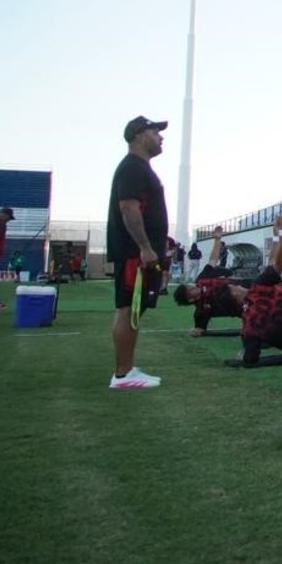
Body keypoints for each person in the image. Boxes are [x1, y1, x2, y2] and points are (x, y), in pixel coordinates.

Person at [107, 116, 170, 388]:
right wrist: (145, 247)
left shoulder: (139, 168)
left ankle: (127, 369)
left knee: (134, 309)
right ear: (138, 135)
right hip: (135, 254)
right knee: (128, 309)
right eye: (155, 131)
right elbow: (128, 208)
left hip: (140, 253)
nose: (161, 136)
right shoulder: (132, 167)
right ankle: (123, 374)